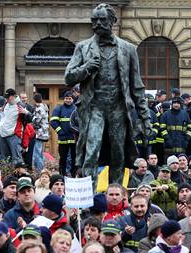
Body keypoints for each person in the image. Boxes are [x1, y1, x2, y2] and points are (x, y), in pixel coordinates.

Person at [66, 4, 151, 182]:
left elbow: (137, 86)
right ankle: (89, 201)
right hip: (94, 107)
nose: (97, 24)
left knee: (118, 154)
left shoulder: (128, 49)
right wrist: (86, 68)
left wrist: (145, 117)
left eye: (102, 20)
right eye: (94, 20)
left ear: (112, 20)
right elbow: (69, 77)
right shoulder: (83, 47)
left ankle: (116, 195)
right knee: (91, 151)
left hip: (118, 108)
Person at [0, 88, 32, 165]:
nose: (6, 99)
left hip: (14, 136)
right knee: (6, 159)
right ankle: (8, 176)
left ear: (13, 96)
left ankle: (19, 175)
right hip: (3, 135)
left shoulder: (20, 105)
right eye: (6, 97)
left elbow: (30, 119)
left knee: (17, 159)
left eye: (8, 97)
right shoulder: (6, 104)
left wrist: (26, 113)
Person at [50, 91, 76, 177]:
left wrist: (77, 132)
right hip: (63, 139)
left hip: (74, 138)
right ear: (63, 99)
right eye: (66, 98)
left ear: (72, 99)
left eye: (70, 99)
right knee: (63, 158)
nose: (68, 100)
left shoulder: (76, 108)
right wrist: (60, 132)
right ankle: (62, 175)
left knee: (74, 158)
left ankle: (73, 174)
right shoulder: (59, 109)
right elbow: (53, 122)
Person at [32, 93, 49, 173]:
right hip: (44, 133)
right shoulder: (45, 107)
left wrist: (30, 119)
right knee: (40, 153)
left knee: (37, 153)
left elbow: (36, 120)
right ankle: (41, 170)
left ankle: (39, 171)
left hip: (39, 133)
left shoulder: (39, 108)